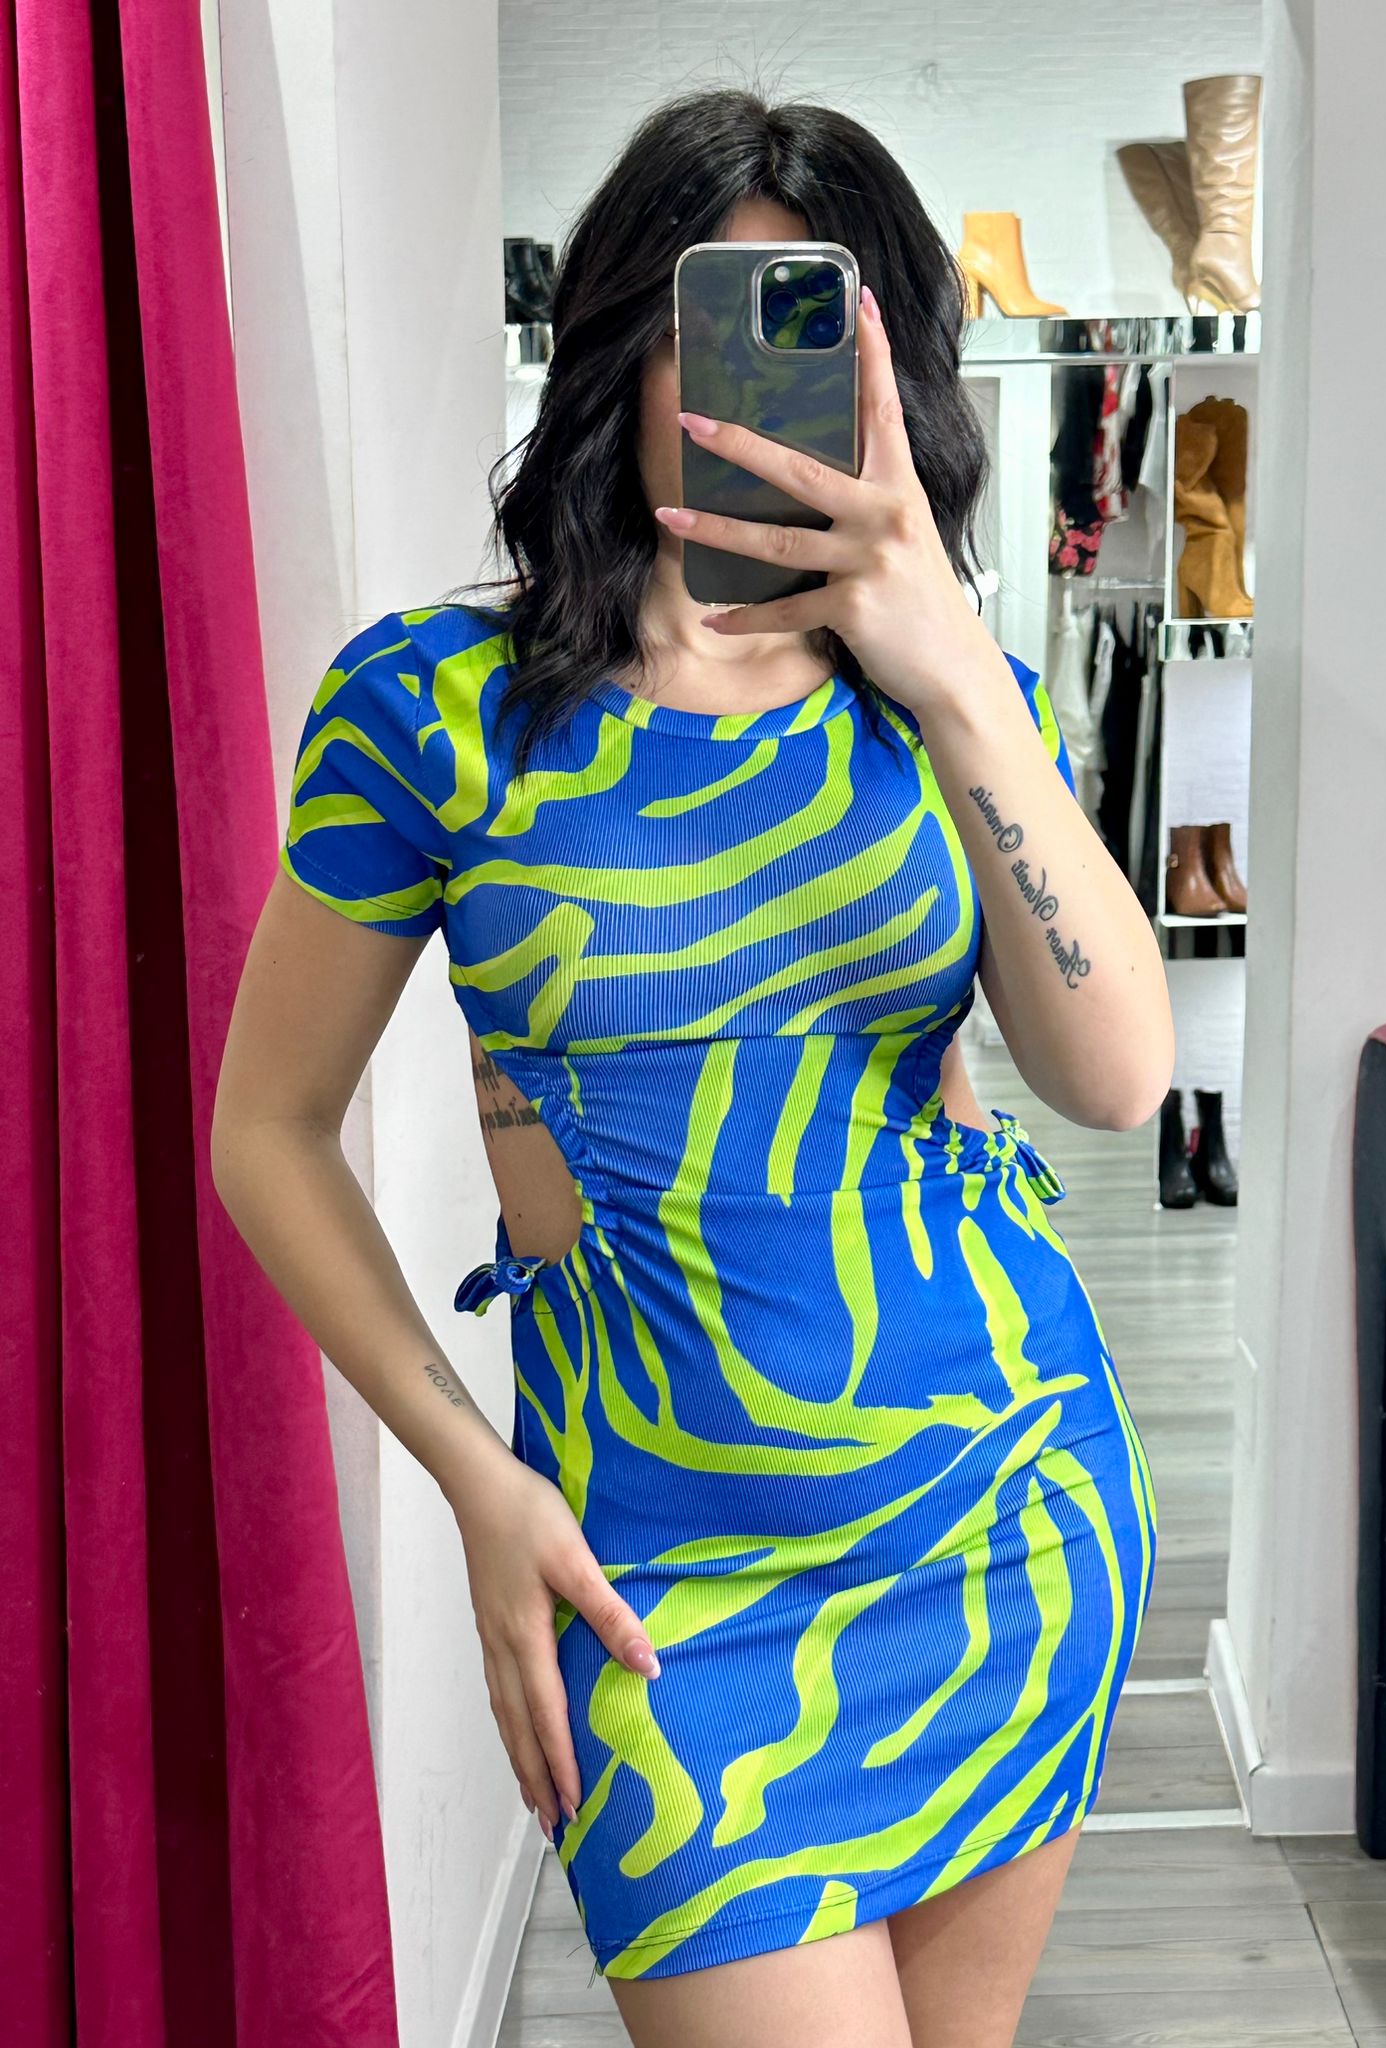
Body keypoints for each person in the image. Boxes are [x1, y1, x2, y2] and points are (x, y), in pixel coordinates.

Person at [213, 84, 1172, 2048]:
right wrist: (475, 1478)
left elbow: (1116, 1075)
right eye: (715, 326)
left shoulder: (947, 701)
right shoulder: (433, 710)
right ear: (617, 354)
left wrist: (950, 665)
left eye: (822, 331)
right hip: (659, 1588)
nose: (757, 395)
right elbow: (267, 1130)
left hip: (1004, 1516)